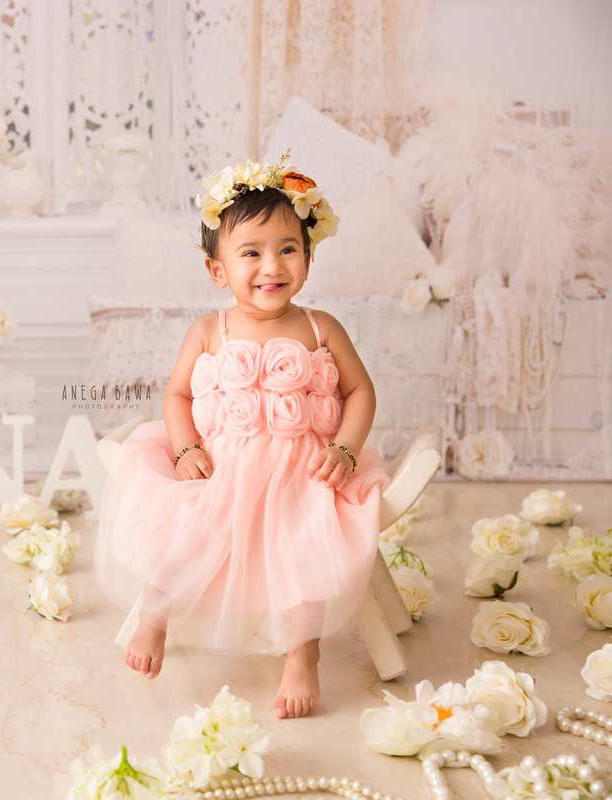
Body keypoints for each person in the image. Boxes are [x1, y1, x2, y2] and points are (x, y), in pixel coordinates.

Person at [93, 149, 391, 719]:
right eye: (251, 253)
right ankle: (154, 617)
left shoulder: (320, 327)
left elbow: (361, 392)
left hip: (302, 466)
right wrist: (184, 449)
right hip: (220, 462)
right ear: (218, 270)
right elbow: (178, 396)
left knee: (305, 544)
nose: (271, 267)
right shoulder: (209, 330)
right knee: (184, 524)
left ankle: (303, 655)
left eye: (288, 250)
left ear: (307, 256)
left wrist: (346, 449)